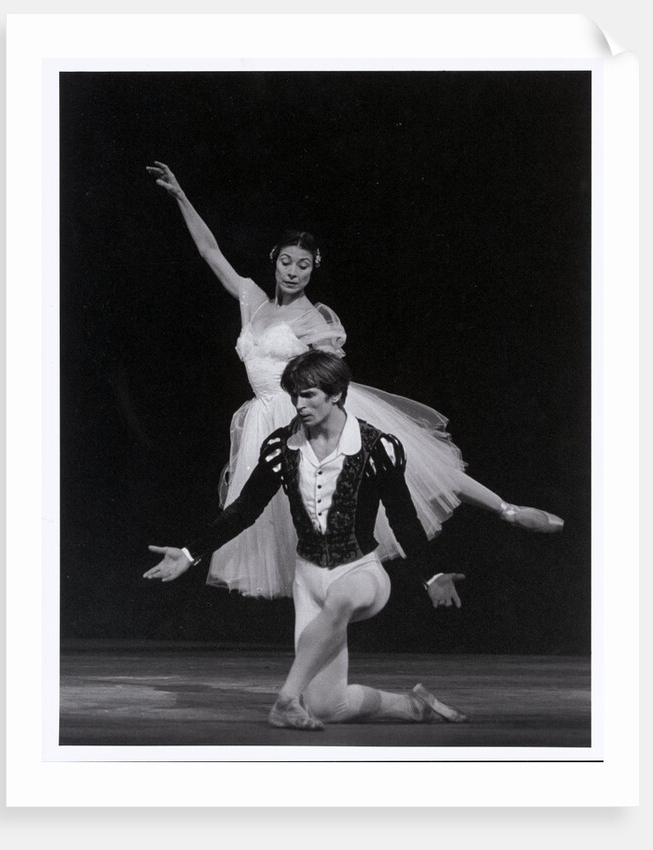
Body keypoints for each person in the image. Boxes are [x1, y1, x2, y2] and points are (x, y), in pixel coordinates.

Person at [146, 161, 563, 600]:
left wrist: (320, 407)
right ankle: (320, 603)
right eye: (287, 262)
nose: (293, 271)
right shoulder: (251, 298)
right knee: (273, 514)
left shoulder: (313, 317)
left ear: (312, 270)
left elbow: (331, 375)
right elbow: (210, 252)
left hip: (306, 407)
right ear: (275, 262)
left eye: (303, 265)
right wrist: (181, 197)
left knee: (416, 466)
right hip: (263, 414)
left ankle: (507, 509)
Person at [144, 350, 469, 730]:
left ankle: (284, 699)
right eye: (294, 396)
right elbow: (244, 510)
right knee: (329, 707)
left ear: (337, 394)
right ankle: (413, 706)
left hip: (361, 572)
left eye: (309, 395)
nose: (299, 405)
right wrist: (190, 552)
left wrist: (430, 575)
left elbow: (403, 518)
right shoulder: (282, 447)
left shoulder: (378, 447)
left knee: (342, 599)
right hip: (308, 579)